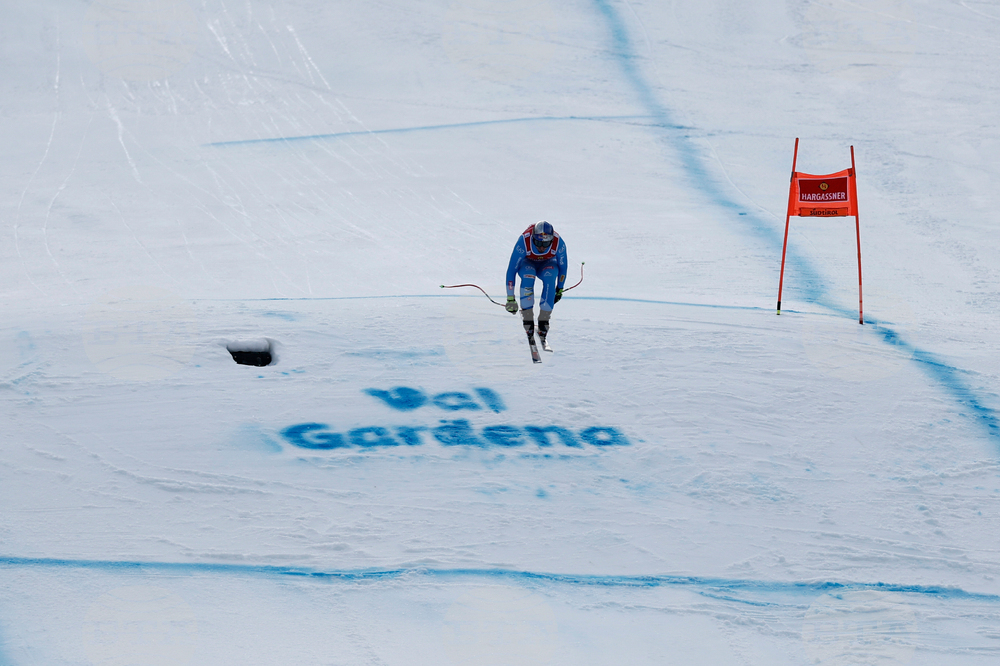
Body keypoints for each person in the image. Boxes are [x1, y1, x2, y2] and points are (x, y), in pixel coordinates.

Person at [504, 220, 568, 347]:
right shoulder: (524, 241)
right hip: (528, 263)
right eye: (538, 243)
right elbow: (511, 270)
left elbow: (563, 268)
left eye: (546, 243)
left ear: (551, 240)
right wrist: (510, 298)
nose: (542, 247)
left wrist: (559, 288)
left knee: (550, 278)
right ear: (533, 238)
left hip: (548, 264)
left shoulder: (558, 243)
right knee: (529, 277)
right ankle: (527, 318)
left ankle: (544, 321)